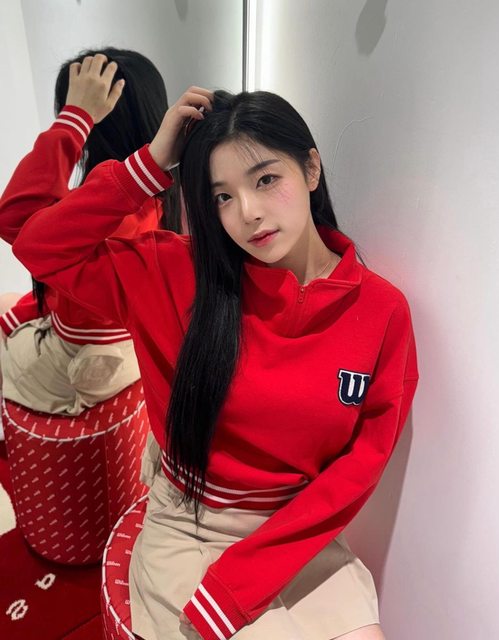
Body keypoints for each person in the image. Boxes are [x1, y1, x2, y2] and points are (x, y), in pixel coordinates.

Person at [2, 54, 419, 640]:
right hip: (193, 527)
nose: (248, 213)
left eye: (265, 179)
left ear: (311, 168)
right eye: (222, 196)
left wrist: (248, 578)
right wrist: (148, 164)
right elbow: (36, 244)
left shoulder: (381, 311)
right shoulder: (175, 273)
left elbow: (360, 465)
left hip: (297, 536)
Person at [0, 47, 180, 417]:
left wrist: (74, 118)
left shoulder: (98, 219)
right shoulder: (163, 204)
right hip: (117, 346)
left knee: (5, 304)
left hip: (80, 359)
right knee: (12, 304)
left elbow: (14, 219)